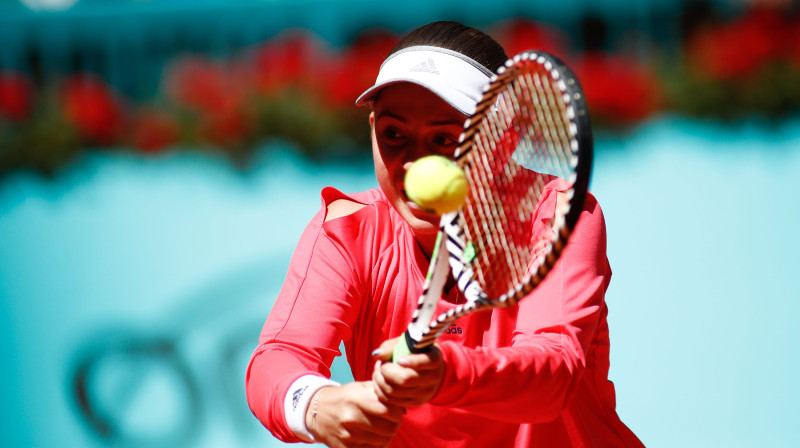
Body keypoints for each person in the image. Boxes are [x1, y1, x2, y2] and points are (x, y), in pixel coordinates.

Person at [246, 21, 644, 447]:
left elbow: (554, 375)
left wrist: (446, 374)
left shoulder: (560, 214)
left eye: (444, 139)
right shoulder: (350, 231)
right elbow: (278, 358)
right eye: (394, 134)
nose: (415, 165)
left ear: (505, 142)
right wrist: (315, 404)